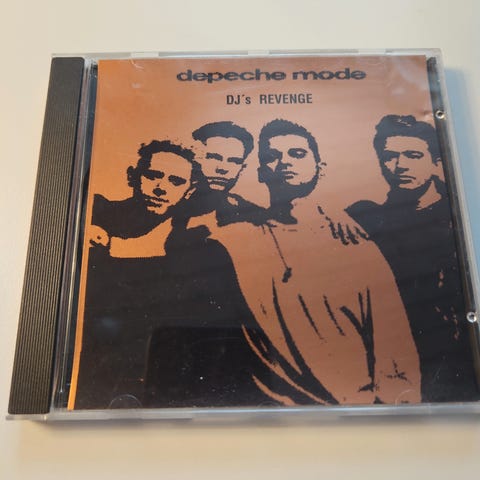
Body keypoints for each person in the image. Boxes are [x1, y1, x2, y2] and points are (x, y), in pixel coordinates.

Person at [193, 119, 421, 405]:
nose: (285, 162)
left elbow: (392, 348)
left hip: (350, 411)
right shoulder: (231, 240)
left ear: (319, 167)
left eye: (297, 154)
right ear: (261, 172)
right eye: (272, 156)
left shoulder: (354, 244)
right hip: (263, 414)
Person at [74, 140, 271, 409]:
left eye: (175, 181)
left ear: (188, 190)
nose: (161, 188)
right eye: (153, 175)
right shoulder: (93, 217)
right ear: (133, 176)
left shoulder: (199, 246)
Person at [347, 114, 478, 402]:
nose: (400, 165)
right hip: (385, 354)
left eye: (413, 155)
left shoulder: (458, 219)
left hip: (449, 355)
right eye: (390, 157)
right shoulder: (363, 217)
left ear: (436, 161)